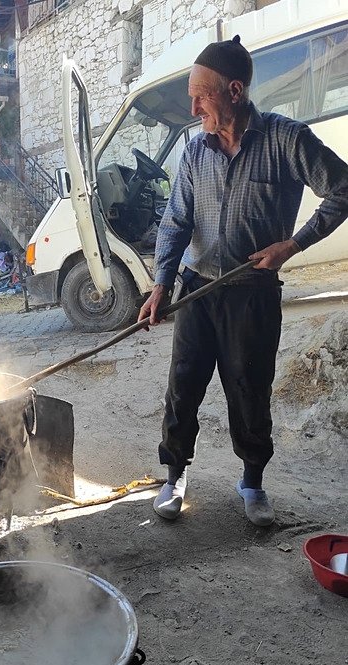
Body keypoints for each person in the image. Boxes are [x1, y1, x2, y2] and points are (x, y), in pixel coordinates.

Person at [138, 35, 348, 527]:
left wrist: (292, 245)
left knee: (250, 388)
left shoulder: (285, 139)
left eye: (200, 96)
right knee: (183, 387)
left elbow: (343, 188)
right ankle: (174, 478)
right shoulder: (194, 152)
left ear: (234, 90)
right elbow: (175, 222)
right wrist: (161, 285)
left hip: (252, 295)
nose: (193, 108)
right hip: (198, 290)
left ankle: (252, 483)